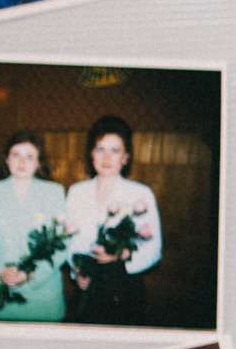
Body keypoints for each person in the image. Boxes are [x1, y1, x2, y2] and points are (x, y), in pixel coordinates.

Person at [66, 117, 163, 326]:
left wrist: (123, 254)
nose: (106, 157)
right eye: (100, 149)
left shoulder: (140, 194)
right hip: (87, 289)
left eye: (115, 151)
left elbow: (154, 249)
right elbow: (69, 241)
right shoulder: (77, 192)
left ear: (126, 157)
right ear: (91, 154)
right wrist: (77, 270)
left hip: (124, 286)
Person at [0, 129, 71, 322]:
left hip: (43, 295)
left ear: (38, 162)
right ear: (7, 160)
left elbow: (62, 243)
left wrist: (31, 273)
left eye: (29, 156)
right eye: (16, 155)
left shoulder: (54, 192)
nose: (22, 162)